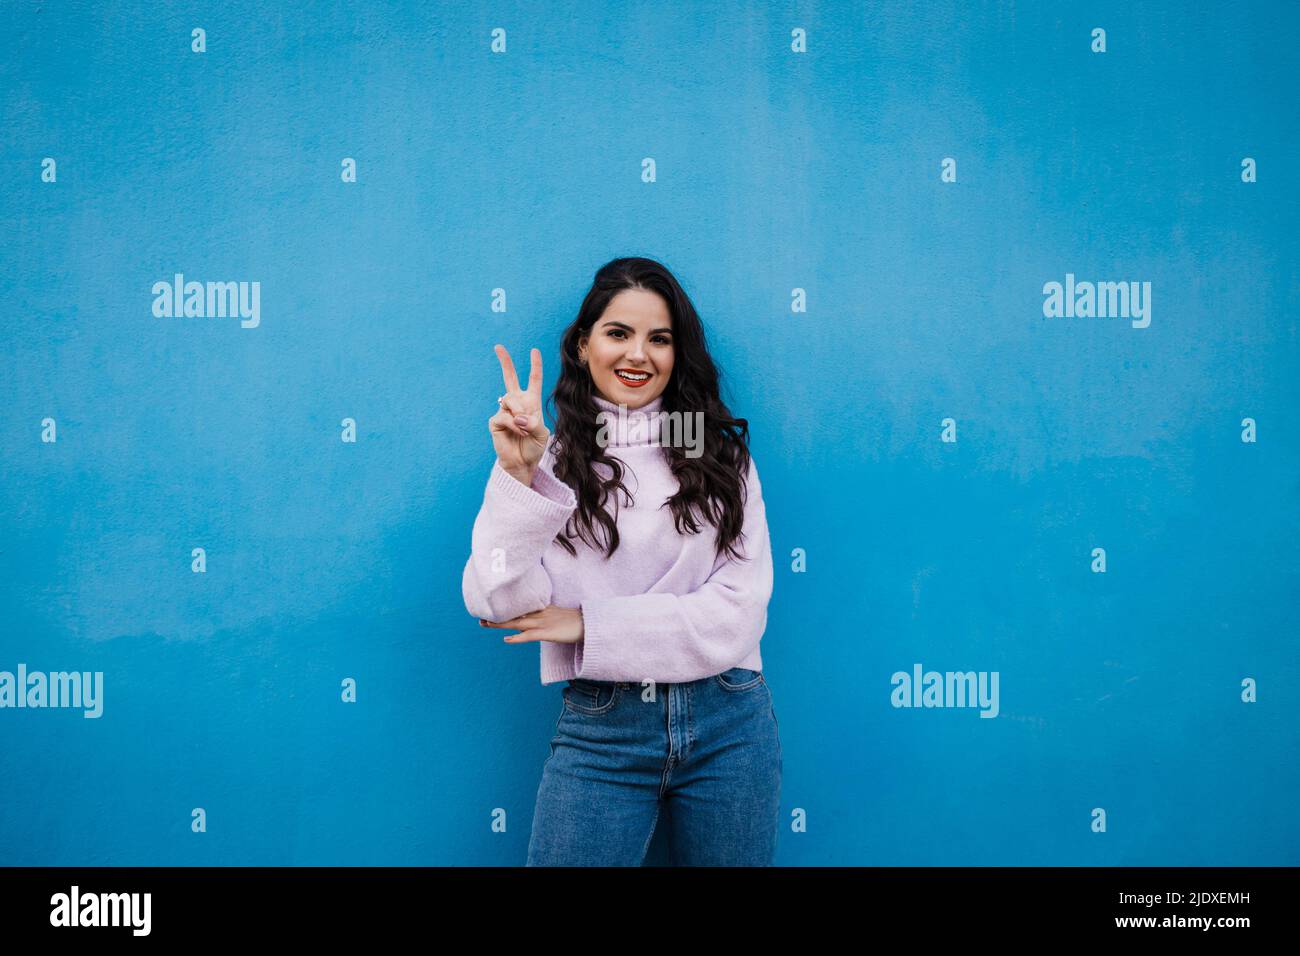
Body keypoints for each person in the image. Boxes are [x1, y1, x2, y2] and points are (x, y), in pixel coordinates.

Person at [461, 256, 781, 866]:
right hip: (602, 725)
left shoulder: (715, 454)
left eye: (659, 339)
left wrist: (588, 622)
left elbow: (737, 613)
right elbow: (496, 600)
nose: (639, 355)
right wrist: (517, 475)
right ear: (583, 346)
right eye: (618, 333)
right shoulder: (549, 458)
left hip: (729, 719)